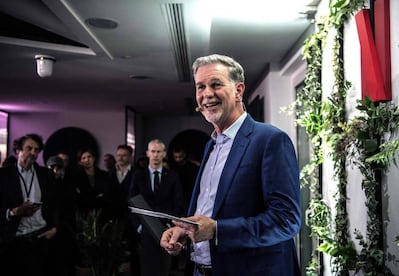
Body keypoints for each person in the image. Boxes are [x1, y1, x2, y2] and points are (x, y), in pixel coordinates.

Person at [160, 54, 301, 276]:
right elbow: (209, 210)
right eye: (200, 87)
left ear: (238, 90)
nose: (206, 94)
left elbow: (286, 220)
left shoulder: (270, 140)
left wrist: (217, 230)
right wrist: (184, 230)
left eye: (215, 84)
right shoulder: (211, 145)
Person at [0, 133, 58, 276]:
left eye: (37, 150)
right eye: (29, 148)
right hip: (14, 241)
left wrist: (55, 228)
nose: (33, 152)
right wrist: (13, 212)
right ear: (18, 150)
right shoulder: (3, 175)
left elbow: (55, 204)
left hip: (41, 238)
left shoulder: (46, 174)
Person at [129, 139, 185, 276]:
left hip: (165, 228)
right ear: (148, 153)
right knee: (146, 268)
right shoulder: (138, 176)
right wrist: (139, 226)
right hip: (145, 229)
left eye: (158, 152)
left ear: (164, 154)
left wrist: (172, 225)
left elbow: (178, 202)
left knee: (163, 269)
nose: (155, 155)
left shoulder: (172, 176)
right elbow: (131, 202)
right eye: (153, 151)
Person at [108, 144, 140, 276]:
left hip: (131, 217)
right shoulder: (110, 174)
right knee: (113, 248)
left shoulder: (137, 174)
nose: (120, 158)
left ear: (130, 157)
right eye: (118, 155)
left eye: (124, 155)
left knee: (134, 248)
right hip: (114, 217)